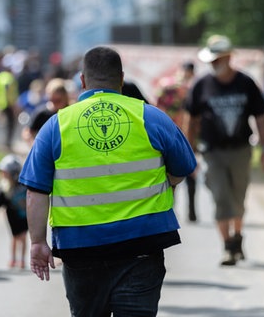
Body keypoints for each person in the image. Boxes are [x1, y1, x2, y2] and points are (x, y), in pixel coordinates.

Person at [19, 46, 197, 316]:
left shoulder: (56, 126)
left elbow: (35, 191)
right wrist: (167, 183)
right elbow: (183, 167)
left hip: (81, 249)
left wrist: (37, 242)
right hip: (143, 246)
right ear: (121, 78)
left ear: (82, 80)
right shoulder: (151, 117)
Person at [185, 35, 264, 266]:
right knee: (221, 198)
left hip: (241, 150)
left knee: (238, 198)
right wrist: (188, 152)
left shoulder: (245, 83)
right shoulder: (201, 85)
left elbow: (261, 117)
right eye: (211, 61)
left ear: (228, 58)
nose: (214, 64)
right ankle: (227, 246)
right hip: (212, 152)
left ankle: (238, 237)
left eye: (217, 60)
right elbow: (191, 121)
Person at [155, 61, 198, 222]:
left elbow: (158, 108)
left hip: (170, 135)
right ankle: (192, 213)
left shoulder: (167, 85)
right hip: (187, 137)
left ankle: (171, 210)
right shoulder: (194, 87)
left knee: (171, 176)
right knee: (191, 174)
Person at [0, 154, 28, 269]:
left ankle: (22, 260)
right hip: (12, 218)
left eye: (6, 172)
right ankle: (13, 258)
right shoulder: (5, 189)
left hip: (24, 217)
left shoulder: (24, 187)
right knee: (14, 237)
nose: (4, 175)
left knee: (23, 237)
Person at [21, 78, 69, 146]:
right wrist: (34, 144)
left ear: (65, 97)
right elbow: (27, 131)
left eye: (58, 100)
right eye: (52, 100)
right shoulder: (41, 113)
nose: (54, 104)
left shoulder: (70, 112)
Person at [0, 62, 19, 149]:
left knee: (1, 124)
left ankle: (0, 143)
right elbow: (7, 89)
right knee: (10, 125)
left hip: (0, 103)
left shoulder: (0, 76)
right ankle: (7, 143)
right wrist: (12, 104)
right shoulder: (9, 77)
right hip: (8, 104)